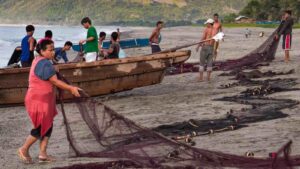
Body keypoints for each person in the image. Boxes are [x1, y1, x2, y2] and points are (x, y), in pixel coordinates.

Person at [17, 39, 81, 164]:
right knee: (41, 126)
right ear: (41, 51)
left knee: (48, 125)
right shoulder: (44, 63)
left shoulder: (40, 61)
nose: (52, 52)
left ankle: (43, 154)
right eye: (50, 50)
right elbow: (55, 81)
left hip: (44, 99)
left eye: (53, 49)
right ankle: (23, 149)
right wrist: (71, 88)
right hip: (38, 99)